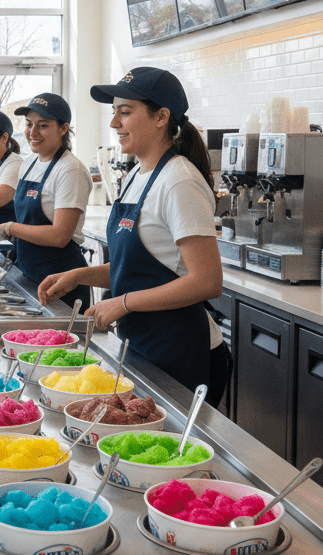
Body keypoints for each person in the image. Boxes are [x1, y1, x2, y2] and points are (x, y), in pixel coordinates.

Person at [39, 67, 231, 406]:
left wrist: (123, 302)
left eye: (125, 112)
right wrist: (79, 275)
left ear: (161, 117)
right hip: (145, 345)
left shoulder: (179, 181)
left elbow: (207, 282)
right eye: (114, 112)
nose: (114, 123)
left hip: (183, 353)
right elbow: (137, 269)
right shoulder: (136, 176)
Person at [0, 93, 92, 311]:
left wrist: (10, 227)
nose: (33, 132)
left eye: (43, 125)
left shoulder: (70, 170)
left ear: (63, 128)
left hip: (61, 282)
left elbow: (60, 236)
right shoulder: (29, 163)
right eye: (29, 124)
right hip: (29, 274)